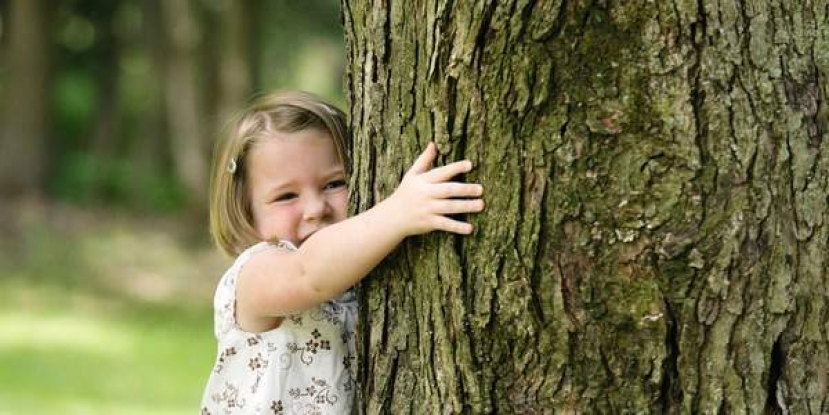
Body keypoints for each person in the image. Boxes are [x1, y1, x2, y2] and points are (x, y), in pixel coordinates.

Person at [200, 90, 485, 414]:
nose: (315, 208)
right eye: (286, 196)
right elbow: (308, 274)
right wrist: (397, 213)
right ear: (246, 211)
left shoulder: (356, 273)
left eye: (334, 184)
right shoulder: (254, 275)